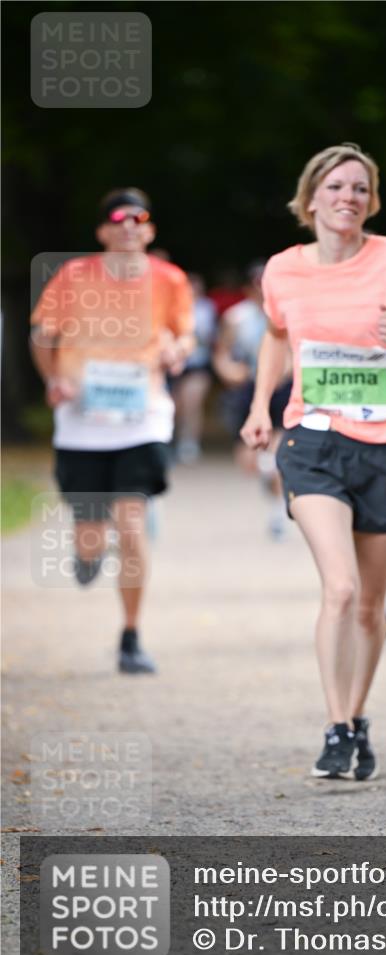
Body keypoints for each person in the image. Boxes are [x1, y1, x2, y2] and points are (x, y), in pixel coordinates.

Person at [241, 143, 386, 779]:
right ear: (312, 200)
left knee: (369, 606)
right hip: (313, 442)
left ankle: (358, 717)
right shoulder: (284, 269)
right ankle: (335, 729)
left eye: (360, 189)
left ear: (373, 201)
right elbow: (276, 338)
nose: (348, 198)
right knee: (339, 587)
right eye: (336, 187)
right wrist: (259, 406)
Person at [30, 187, 194, 674]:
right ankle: (87, 553)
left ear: (149, 229)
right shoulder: (73, 275)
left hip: (142, 417)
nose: (128, 225)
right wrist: (53, 378)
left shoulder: (170, 279)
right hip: (82, 421)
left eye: (138, 217)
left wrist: (176, 351)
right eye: (117, 218)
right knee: (91, 536)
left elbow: (184, 334)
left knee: (131, 523)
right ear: (102, 230)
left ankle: (130, 635)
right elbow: (42, 334)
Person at [214, 262, 292, 538]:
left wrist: (283, 372)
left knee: (280, 452)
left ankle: (278, 512)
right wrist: (230, 371)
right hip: (248, 387)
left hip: (283, 388)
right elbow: (221, 355)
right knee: (249, 459)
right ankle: (268, 475)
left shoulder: (292, 315)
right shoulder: (236, 318)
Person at [172, 273, 218, 463]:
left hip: (198, 364)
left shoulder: (207, 308)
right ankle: (171, 440)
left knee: (192, 403)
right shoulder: (173, 306)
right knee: (176, 405)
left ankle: (189, 442)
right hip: (175, 364)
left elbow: (211, 337)